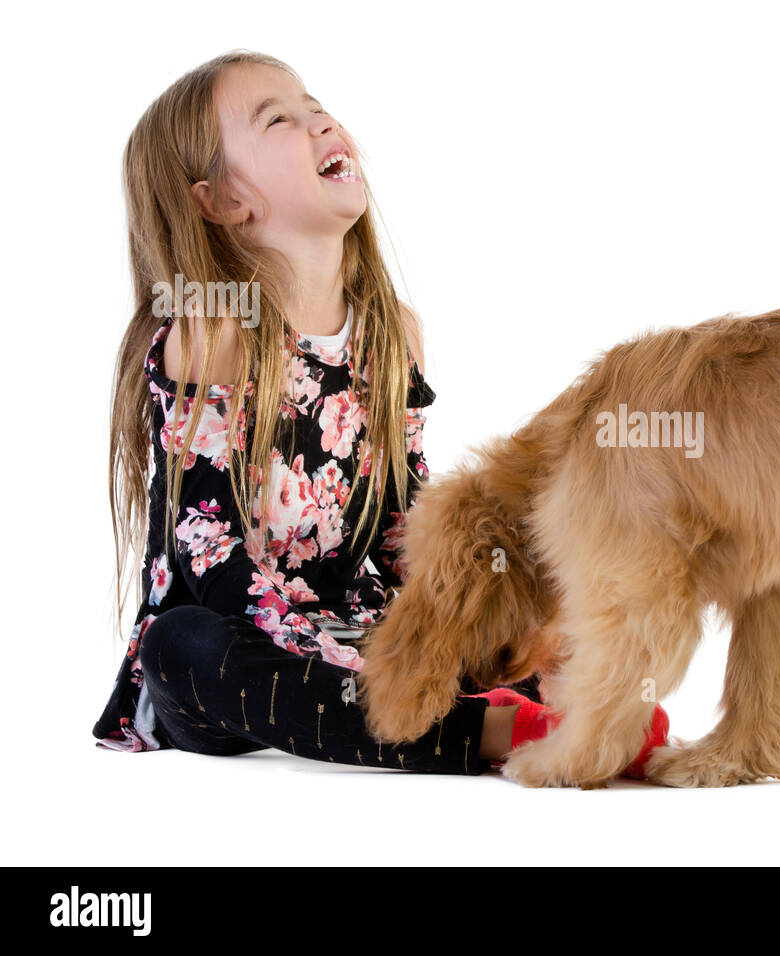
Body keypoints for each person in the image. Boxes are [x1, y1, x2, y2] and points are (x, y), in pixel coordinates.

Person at [94, 49, 669, 779]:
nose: (321, 121)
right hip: (244, 644)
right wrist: (321, 647)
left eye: (315, 106)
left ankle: (559, 709)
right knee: (181, 644)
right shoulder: (214, 334)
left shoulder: (394, 331)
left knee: (502, 611)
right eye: (280, 119)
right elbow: (206, 550)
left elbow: (406, 521)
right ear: (223, 201)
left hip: (358, 628)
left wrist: (455, 616)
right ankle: (488, 732)